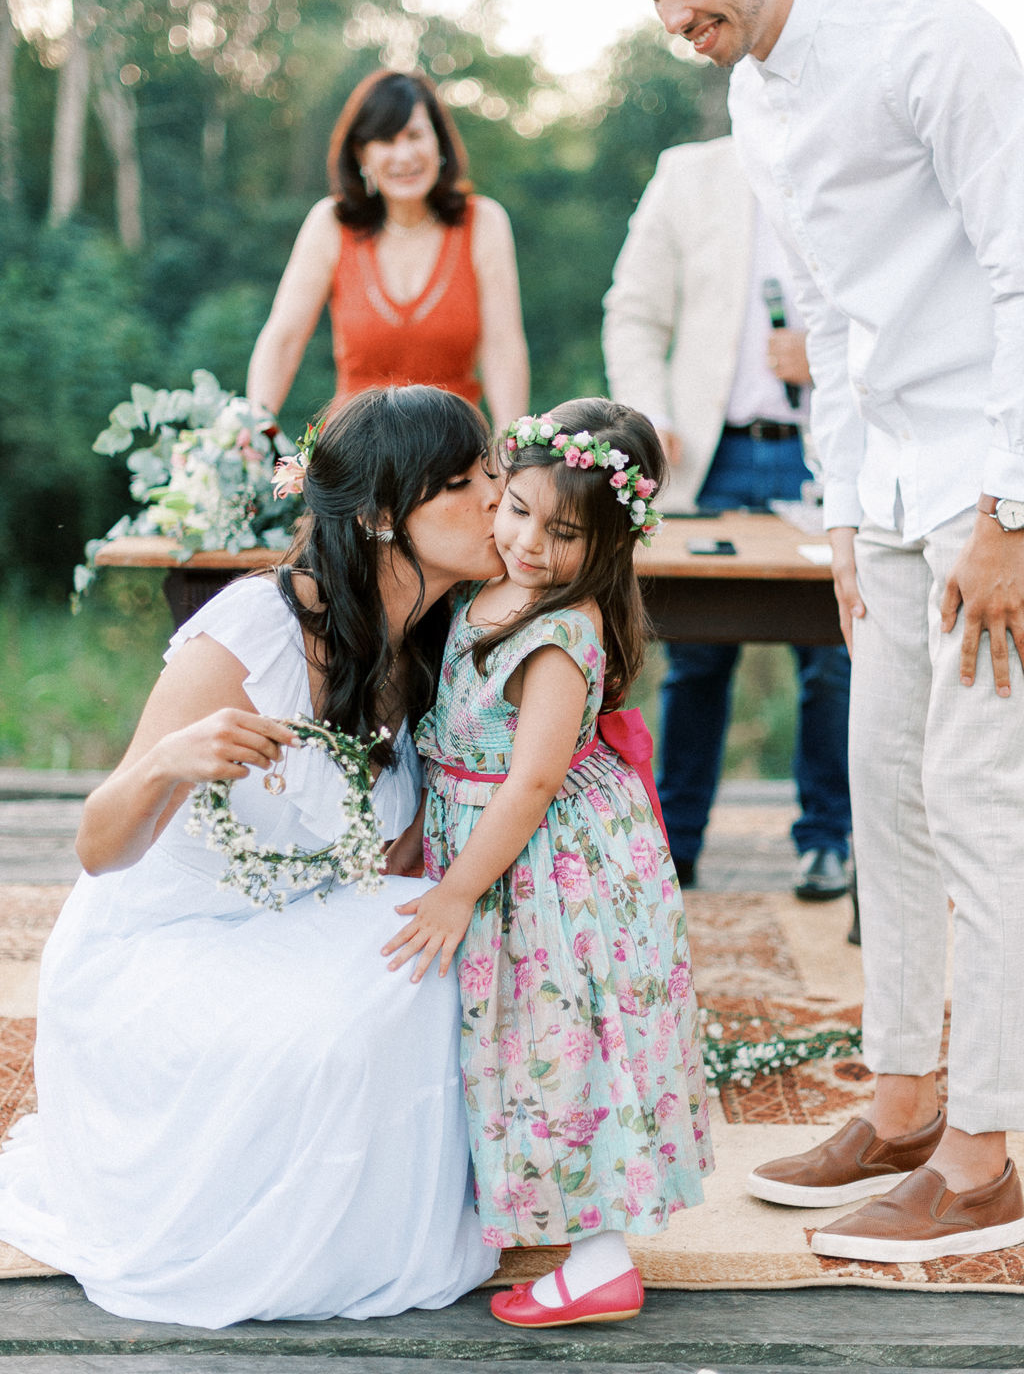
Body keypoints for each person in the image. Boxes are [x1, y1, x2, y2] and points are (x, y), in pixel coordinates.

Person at [601, 0, 1024, 1265]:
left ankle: (983, 1162)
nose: (680, 18)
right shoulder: (752, 100)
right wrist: (847, 522)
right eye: (653, 2)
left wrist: (1011, 511)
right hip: (888, 495)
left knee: (979, 804)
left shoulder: (930, 38)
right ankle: (908, 1102)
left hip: (1000, 475)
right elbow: (840, 327)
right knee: (884, 792)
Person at [0, 386, 506, 1327]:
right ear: (382, 515)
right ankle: (292, 1241)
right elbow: (99, 847)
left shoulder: (442, 641)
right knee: (347, 1029)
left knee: (448, 964)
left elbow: (397, 859)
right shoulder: (252, 630)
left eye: (491, 474)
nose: (493, 499)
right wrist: (165, 761)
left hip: (298, 920)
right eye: (462, 483)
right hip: (160, 945)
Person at [382, 398, 712, 1329]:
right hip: (495, 844)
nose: (527, 540)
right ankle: (542, 1219)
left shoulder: (562, 631)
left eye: (561, 532)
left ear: (606, 545)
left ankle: (602, 1258)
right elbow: (456, 737)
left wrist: (454, 888)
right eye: (516, 508)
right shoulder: (485, 588)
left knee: (564, 1041)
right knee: (517, 1041)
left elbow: (528, 784)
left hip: (551, 867)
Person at [603, 136, 851, 897]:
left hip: (822, 446)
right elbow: (633, 313)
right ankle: (673, 844)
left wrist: (830, 356)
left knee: (836, 655)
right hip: (705, 457)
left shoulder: (853, 159)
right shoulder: (690, 171)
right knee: (694, 658)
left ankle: (827, 840)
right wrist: (649, 415)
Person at [247, 69, 529, 431]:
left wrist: (514, 452)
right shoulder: (331, 223)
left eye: (414, 135)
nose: (404, 155)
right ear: (361, 153)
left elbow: (503, 348)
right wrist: (255, 427)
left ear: (439, 143)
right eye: (385, 140)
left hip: (457, 456)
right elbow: (284, 337)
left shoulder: (484, 222)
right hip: (355, 461)